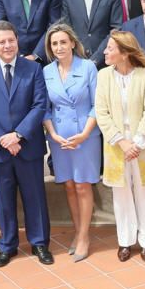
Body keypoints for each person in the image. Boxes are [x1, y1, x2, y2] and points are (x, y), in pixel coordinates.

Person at [0, 21, 53, 267]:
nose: (7, 45)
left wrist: (18, 135)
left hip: (27, 146)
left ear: (17, 41)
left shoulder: (33, 69)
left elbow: (40, 105)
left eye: (11, 40)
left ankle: (39, 243)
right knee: (3, 199)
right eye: (2, 42)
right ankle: (7, 246)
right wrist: (3, 138)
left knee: (35, 197)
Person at [95, 31, 145, 263]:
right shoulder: (103, 76)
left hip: (142, 144)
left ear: (124, 53)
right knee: (121, 193)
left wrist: (138, 142)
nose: (105, 52)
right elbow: (101, 113)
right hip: (116, 145)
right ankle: (125, 240)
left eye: (110, 48)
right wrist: (121, 142)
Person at [42, 23, 101, 262]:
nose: (59, 47)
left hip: (85, 137)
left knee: (82, 186)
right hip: (59, 138)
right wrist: (53, 134)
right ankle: (77, 231)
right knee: (68, 185)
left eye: (63, 42)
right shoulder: (46, 72)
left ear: (73, 43)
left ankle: (85, 236)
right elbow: (44, 108)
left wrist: (85, 133)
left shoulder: (88, 67)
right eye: (54, 43)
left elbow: (98, 104)